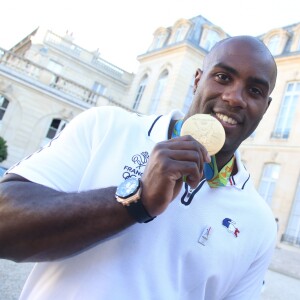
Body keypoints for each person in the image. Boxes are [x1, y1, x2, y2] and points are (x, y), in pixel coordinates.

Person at [0, 35, 278, 299]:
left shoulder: (260, 223)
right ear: (196, 80)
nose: (234, 97)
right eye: (222, 77)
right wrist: (136, 200)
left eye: (254, 90)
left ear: (265, 108)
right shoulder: (106, 126)